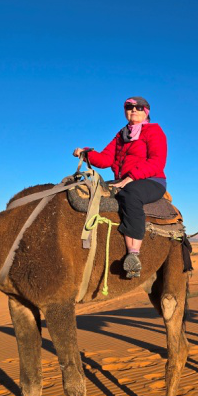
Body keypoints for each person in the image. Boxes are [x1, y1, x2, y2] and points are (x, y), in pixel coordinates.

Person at [73, 96, 167, 278]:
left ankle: (133, 255)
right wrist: (86, 153)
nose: (133, 110)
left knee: (130, 195)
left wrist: (131, 177)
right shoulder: (121, 135)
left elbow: (157, 161)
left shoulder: (154, 131)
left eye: (139, 107)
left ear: (146, 112)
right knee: (90, 189)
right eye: (129, 107)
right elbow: (106, 158)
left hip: (151, 181)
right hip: (123, 181)